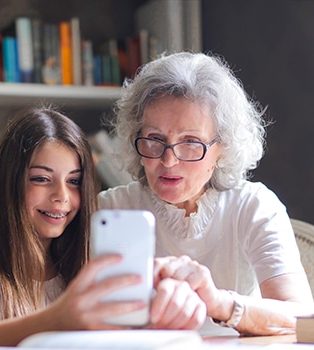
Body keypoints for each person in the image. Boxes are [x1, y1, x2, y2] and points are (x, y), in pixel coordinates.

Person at [96, 52, 314, 336]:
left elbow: (302, 319)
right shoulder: (111, 209)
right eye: (154, 139)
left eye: (190, 143)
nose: (169, 160)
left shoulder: (254, 205)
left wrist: (217, 301)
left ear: (222, 148)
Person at [0, 106, 205, 349]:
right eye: (41, 179)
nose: (61, 196)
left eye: (74, 181)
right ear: (8, 182)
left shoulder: (87, 268)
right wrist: (55, 320)